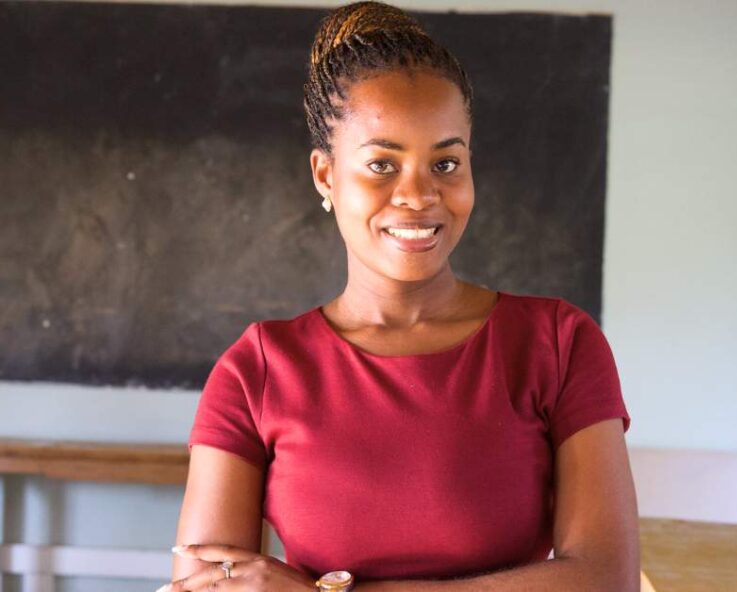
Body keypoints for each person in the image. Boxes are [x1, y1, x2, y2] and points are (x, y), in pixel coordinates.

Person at [160, 2, 638, 591]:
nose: (419, 195)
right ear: (325, 176)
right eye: (382, 164)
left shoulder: (559, 344)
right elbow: (206, 587)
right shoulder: (258, 370)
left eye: (446, 161)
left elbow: (606, 579)